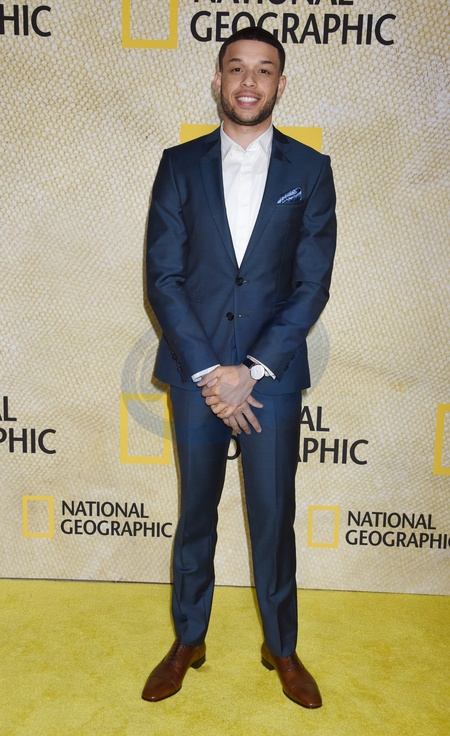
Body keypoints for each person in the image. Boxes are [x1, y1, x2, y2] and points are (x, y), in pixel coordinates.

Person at [142, 26, 337, 708]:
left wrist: (251, 370)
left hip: (271, 381)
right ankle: (188, 639)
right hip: (196, 378)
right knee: (195, 513)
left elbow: (311, 284)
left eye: (263, 69)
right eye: (236, 68)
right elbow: (164, 278)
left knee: (273, 517)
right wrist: (209, 373)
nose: (249, 81)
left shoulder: (310, 171)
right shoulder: (178, 165)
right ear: (218, 80)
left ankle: (281, 647)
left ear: (281, 84)